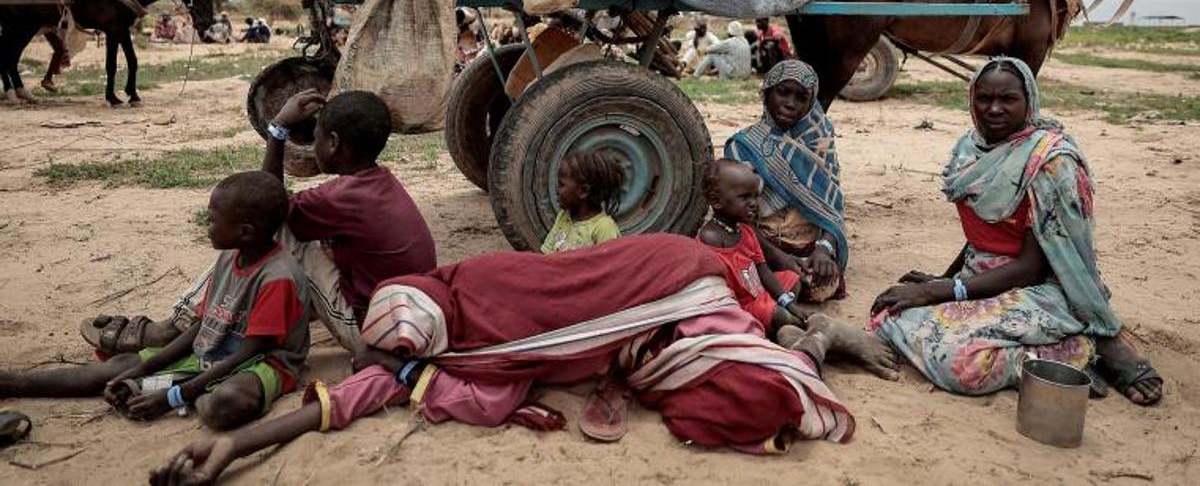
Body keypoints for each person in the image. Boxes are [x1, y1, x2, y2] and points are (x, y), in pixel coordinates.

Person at [149, 235, 871, 484]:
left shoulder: (478, 290)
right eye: (397, 350)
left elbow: (572, 289)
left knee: (745, 383)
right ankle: (810, 340)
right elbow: (343, 402)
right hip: (654, 324)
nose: (388, 358)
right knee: (750, 399)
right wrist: (232, 445)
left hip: (669, 280)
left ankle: (810, 337)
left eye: (398, 345)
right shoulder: (430, 356)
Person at [869, 57, 1164, 404]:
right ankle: (1058, 347)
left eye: (1007, 99)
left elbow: (1031, 267)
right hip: (981, 279)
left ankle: (1077, 354)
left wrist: (942, 291)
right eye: (984, 98)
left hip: (1043, 289)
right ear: (971, 99)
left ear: (1029, 102)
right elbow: (984, 232)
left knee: (958, 361)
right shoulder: (971, 149)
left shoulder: (1051, 162)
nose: (994, 109)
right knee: (887, 315)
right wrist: (943, 279)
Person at [81, 90, 437, 355]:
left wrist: (279, 129)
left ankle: (176, 325)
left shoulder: (343, 197)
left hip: (370, 331)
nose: (313, 147)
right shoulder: (376, 184)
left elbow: (265, 207)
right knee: (299, 244)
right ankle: (233, 316)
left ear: (333, 142)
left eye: (314, 139)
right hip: (408, 318)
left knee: (271, 231)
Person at [1, 171, 310, 430]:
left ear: (245, 232)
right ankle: (16, 383)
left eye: (213, 220)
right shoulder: (231, 257)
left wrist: (175, 396)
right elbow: (202, 326)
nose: (208, 226)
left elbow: (249, 352)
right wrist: (145, 368)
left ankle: (177, 392)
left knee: (227, 403)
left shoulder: (277, 277)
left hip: (261, 364)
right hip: (211, 355)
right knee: (120, 367)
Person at [724, 60, 846, 302]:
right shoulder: (745, 145)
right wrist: (777, 256)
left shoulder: (820, 144)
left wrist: (824, 249)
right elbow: (735, 217)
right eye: (782, 92)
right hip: (760, 243)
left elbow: (832, 212)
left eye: (801, 98)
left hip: (808, 247)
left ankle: (777, 289)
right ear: (767, 93)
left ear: (811, 103)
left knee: (819, 283)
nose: (790, 104)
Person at [697, 159, 811, 336]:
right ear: (716, 201)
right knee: (778, 314)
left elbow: (763, 270)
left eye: (756, 196)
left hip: (757, 294)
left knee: (791, 278)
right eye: (744, 197)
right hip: (738, 306)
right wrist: (782, 306)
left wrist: (787, 302)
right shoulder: (710, 238)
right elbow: (717, 289)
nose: (754, 203)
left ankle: (779, 319)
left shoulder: (746, 232)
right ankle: (795, 324)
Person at [541, 150, 623, 253]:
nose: (557, 190)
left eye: (561, 185)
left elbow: (608, 266)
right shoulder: (564, 216)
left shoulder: (604, 228)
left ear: (583, 191)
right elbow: (546, 256)